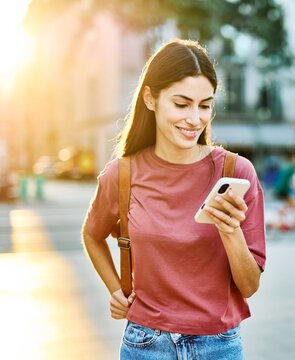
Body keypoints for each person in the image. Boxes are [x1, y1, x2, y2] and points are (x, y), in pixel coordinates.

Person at [81, 39, 266, 359]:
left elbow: (249, 287)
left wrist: (230, 230)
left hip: (218, 346)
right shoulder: (122, 175)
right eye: (181, 104)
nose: (195, 118)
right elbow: (92, 235)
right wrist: (116, 289)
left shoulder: (238, 173)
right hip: (145, 344)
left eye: (204, 105)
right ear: (150, 98)